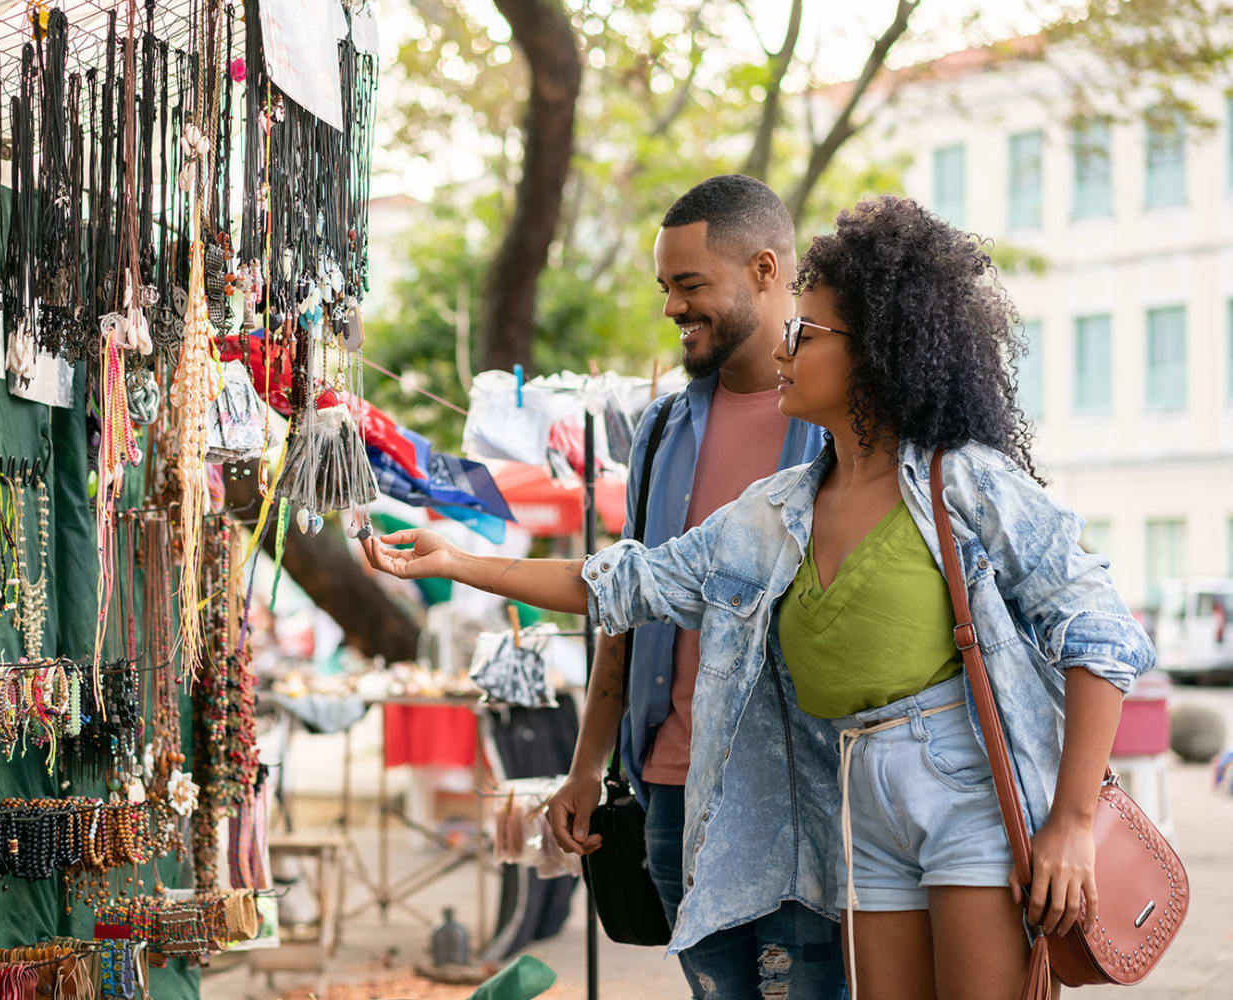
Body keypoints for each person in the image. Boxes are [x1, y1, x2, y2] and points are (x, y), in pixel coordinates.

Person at [362, 196, 1154, 999]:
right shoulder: (781, 508)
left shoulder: (962, 481)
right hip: (858, 795)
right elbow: (626, 582)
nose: (785, 349)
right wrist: (456, 559)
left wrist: (1072, 821)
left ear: (875, 353)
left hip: (967, 788)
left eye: (805, 336)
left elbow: (1099, 632)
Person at [542, 174, 841, 999]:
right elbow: (627, 599)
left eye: (690, 285)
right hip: (670, 789)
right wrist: (585, 767)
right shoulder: (663, 427)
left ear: (765, 269)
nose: (672, 307)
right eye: (665, 287)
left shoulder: (835, 419)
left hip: (794, 794)